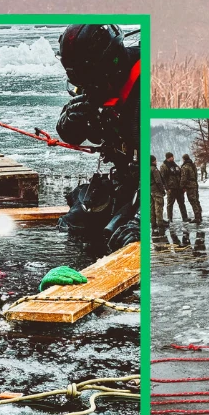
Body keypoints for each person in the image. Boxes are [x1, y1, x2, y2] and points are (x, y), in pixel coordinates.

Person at [54, 24, 141, 252]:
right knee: (75, 222)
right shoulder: (92, 84)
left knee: (121, 234)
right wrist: (71, 119)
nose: (88, 88)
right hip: (123, 180)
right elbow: (70, 134)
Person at [161, 152, 188, 223]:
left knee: (182, 203)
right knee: (170, 204)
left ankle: (185, 217)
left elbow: (181, 174)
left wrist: (183, 186)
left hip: (179, 188)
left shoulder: (175, 165)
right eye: (172, 157)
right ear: (168, 157)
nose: (173, 158)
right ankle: (170, 218)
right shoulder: (164, 166)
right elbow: (163, 178)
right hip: (171, 188)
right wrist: (167, 188)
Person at [181, 153, 203, 224]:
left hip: (190, 186)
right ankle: (200, 216)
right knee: (197, 201)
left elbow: (184, 178)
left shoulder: (185, 167)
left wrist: (182, 186)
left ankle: (197, 218)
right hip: (195, 184)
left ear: (184, 159)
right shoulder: (193, 165)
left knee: (193, 201)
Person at [149, 154, 166, 234]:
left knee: (152, 207)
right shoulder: (154, 169)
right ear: (153, 161)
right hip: (156, 190)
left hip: (150, 190)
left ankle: (153, 223)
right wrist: (162, 190)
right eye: (155, 160)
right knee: (158, 206)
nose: (156, 162)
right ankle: (160, 223)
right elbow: (158, 181)